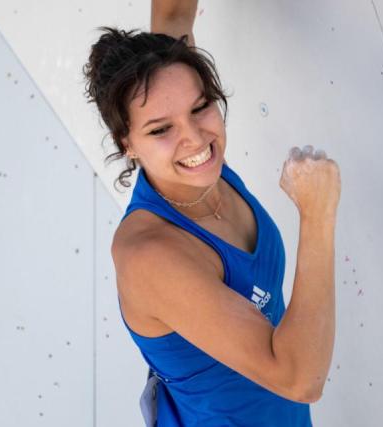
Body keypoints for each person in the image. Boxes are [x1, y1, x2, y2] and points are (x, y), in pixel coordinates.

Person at [82, 1, 341, 425]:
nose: (194, 137)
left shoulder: (174, 99)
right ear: (126, 141)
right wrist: (317, 216)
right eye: (160, 129)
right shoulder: (150, 254)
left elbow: (173, 15)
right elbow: (300, 379)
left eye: (200, 107)